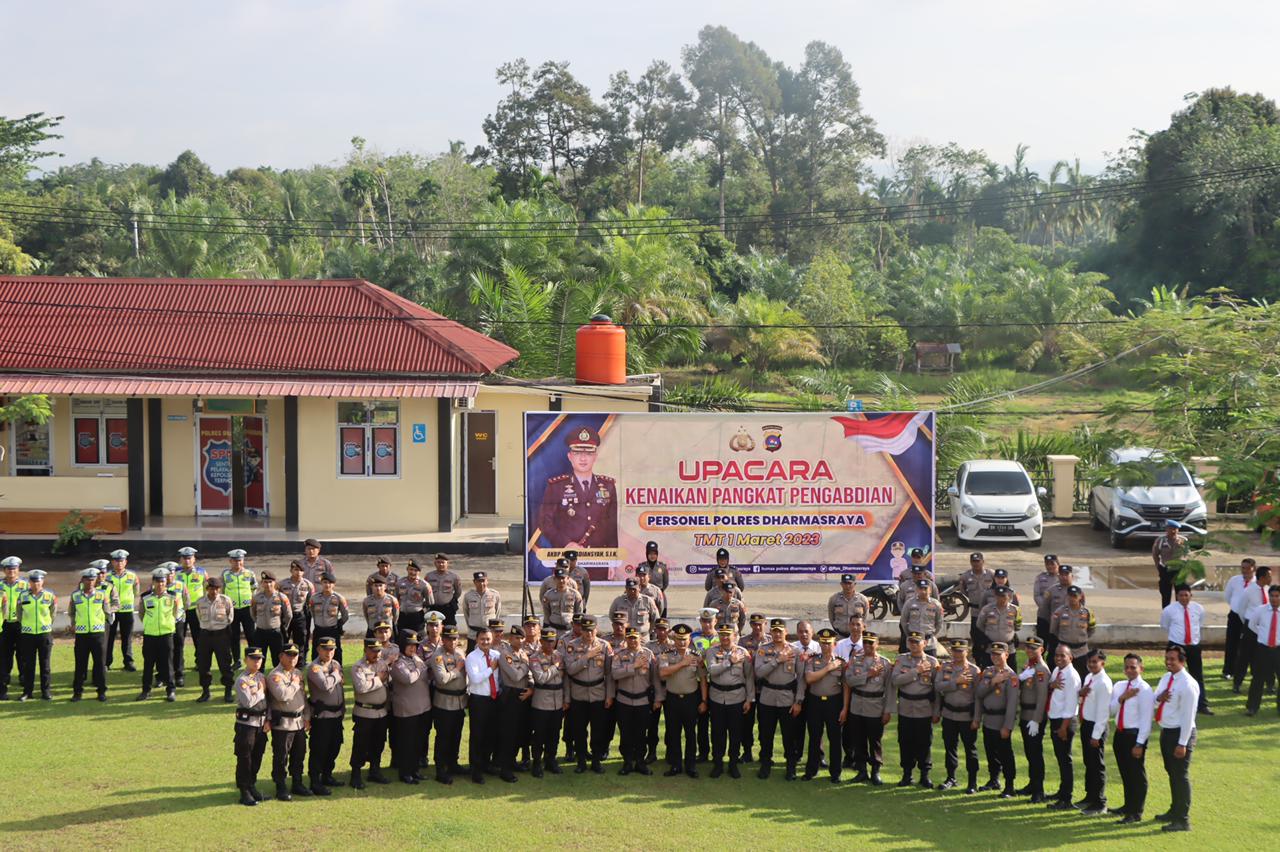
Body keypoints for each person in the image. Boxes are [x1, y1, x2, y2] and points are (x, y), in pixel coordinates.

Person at [537, 426, 618, 549]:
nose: (583, 458)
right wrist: (566, 543)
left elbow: (612, 526)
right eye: (578, 453)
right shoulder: (556, 486)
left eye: (588, 453)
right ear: (570, 456)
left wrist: (613, 560)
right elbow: (545, 522)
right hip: (567, 558)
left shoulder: (608, 486)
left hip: (599, 560)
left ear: (595, 457)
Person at [1154, 644, 1198, 832]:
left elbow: (1189, 717)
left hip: (1181, 734)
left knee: (1180, 776)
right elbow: (1155, 699)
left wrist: (1182, 744)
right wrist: (1160, 697)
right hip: (1167, 731)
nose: (1168, 662)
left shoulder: (1188, 684)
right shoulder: (1166, 678)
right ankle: (1175, 810)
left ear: (1182, 661)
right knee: (1172, 773)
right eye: (1167, 658)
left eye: (1172, 659)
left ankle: (1183, 819)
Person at [704, 623, 754, 779]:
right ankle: (718, 764)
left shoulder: (743, 652)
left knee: (735, 733)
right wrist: (729, 662)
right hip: (717, 697)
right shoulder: (711, 651)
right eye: (722, 634)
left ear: (734, 636)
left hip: (737, 697)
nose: (725, 638)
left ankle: (733, 764)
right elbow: (712, 670)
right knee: (718, 733)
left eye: (728, 634)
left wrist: (749, 699)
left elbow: (749, 677)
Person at [755, 618, 802, 780]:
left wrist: (798, 701)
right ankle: (766, 764)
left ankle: (791, 766)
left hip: (787, 698)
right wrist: (777, 660)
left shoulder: (795, 651)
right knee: (766, 734)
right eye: (774, 631)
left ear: (786, 632)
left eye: (780, 631)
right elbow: (759, 673)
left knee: (789, 735)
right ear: (771, 633)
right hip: (768, 696)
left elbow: (801, 679)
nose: (777, 634)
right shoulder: (763, 650)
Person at [1110, 652, 1154, 824]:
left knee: (1136, 774)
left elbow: (1146, 719)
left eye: (1133, 667)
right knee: (1125, 772)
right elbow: (1111, 710)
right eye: (1126, 667)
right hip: (1120, 734)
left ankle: (1136, 811)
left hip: (1134, 735)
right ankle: (1128, 806)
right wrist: (1122, 698)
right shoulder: (1120, 686)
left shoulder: (1144, 689)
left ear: (1141, 668)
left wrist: (1139, 743)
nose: (1129, 670)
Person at [889, 631, 937, 787]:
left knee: (924, 742)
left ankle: (925, 775)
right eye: (911, 642)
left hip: (924, 708)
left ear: (925, 643)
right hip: (905, 708)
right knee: (905, 741)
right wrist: (916, 671)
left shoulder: (933, 662)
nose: (914, 645)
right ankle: (907, 774)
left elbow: (937, 690)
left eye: (917, 642)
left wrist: (936, 711)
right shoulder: (901, 660)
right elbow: (895, 681)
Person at [608, 626, 657, 776]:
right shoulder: (619, 655)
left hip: (643, 700)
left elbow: (655, 679)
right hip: (624, 700)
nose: (632, 641)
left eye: (635, 638)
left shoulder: (648, 655)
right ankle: (627, 762)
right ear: (626, 639)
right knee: (626, 733)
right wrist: (633, 666)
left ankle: (640, 762)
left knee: (642, 733)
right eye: (629, 638)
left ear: (640, 638)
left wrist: (658, 698)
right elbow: (615, 674)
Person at [933, 638, 980, 794]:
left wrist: (976, 718)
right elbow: (938, 686)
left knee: (970, 749)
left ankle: (972, 782)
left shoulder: (974, 671)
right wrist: (955, 681)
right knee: (950, 748)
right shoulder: (945, 668)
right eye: (954, 650)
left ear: (967, 651)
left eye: (961, 651)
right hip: (949, 714)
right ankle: (951, 777)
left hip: (967, 716)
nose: (957, 654)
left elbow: (978, 697)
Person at [565, 615, 611, 774]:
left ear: (596, 630)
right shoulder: (572, 645)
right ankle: (581, 761)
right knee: (579, 730)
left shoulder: (604, 646)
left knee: (598, 730)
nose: (588, 634)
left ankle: (596, 761)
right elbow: (570, 670)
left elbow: (609, 674)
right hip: (579, 693)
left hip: (598, 693)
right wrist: (587, 656)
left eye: (591, 631)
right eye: (585, 630)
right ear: (581, 630)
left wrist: (609, 695)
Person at [657, 623, 704, 778]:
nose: (682, 642)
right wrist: (682, 663)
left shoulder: (697, 656)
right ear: (674, 639)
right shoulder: (666, 654)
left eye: (684, 639)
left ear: (689, 639)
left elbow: (703, 679)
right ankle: (675, 765)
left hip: (691, 699)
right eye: (678, 639)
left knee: (691, 733)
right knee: (673, 733)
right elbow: (663, 673)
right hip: (672, 699)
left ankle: (691, 766)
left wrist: (704, 700)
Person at [843, 630, 890, 786]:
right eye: (866, 642)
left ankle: (875, 771)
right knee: (858, 740)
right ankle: (862, 770)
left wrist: (887, 710)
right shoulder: (855, 660)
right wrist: (868, 675)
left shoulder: (884, 663)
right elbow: (849, 681)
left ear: (877, 644)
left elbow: (889, 690)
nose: (868, 645)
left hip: (875, 706)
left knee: (875, 741)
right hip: (857, 705)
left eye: (871, 642)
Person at [265, 643, 310, 800]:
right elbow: (283, 696)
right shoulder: (275, 675)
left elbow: (303, 698)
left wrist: (307, 717)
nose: (293, 658)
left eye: (295, 655)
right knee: (281, 756)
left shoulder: (297, 673)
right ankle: (281, 786)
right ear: (281, 656)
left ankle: (297, 783)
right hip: (283, 723)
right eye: (289, 654)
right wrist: (295, 683)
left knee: (299, 755)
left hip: (298, 722)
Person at [975, 641, 1019, 798]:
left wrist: (1007, 726)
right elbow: (979, 694)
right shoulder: (988, 672)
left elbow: (1012, 705)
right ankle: (994, 780)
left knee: (1005, 754)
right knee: (990, 752)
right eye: (992, 654)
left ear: (1006, 655)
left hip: (1001, 720)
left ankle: (1010, 786)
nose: (994, 657)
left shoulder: (1011, 676)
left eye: (998, 654)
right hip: (988, 719)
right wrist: (993, 682)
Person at [1160, 584, 1211, 714]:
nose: (1183, 598)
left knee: (1197, 675)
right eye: (1181, 595)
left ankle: (1202, 705)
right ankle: (1171, 702)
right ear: (1177, 596)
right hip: (1176, 646)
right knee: (1173, 675)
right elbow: (1165, 625)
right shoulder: (1169, 610)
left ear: (1190, 595)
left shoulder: (1199, 609)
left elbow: (1199, 624)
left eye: (1186, 595)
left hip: (1193, 646)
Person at [349, 637, 392, 789]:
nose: (376, 654)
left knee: (379, 743)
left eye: (378, 651)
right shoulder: (358, 667)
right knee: (361, 744)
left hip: (381, 712)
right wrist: (378, 679)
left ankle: (375, 770)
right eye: (373, 651)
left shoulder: (382, 664)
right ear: (365, 650)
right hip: (365, 712)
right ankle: (355, 774)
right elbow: (362, 687)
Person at [390, 631, 432, 784]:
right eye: (409, 645)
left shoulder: (416, 659)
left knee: (418, 743)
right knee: (407, 743)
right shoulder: (398, 663)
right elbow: (408, 678)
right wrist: (420, 668)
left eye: (415, 645)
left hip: (423, 708)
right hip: (406, 710)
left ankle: (415, 770)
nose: (413, 648)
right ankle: (405, 773)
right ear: (402, 645)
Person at [802, 628, 843, 784]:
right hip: (815, 702)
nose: (825, 646)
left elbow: (846, 686)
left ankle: (835, 773)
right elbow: (809, 679)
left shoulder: (841, 662)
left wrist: (845, 708)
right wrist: (828, 668)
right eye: (823, 643)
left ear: (835, 644)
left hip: (834, 703)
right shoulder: (812, 660)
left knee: (835, 739)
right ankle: (811, 770)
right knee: (814, 737)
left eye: (828, 643)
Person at [1044, 645, 1082, 810]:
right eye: (1057, 655)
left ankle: (1066, 798)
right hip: (1056, 719)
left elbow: (1071, 704)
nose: (1059, 658)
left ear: (1070, 658)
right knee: (1060, 758)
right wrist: (1051, 685)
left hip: (1064, 721)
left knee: (1065, 759)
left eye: (1063, 656)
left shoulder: (1071, 676)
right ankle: (1062, 791)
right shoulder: (1058, 671)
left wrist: (1063, 728)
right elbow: (1052, 686)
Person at [68, 565, 114, 702]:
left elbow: (107, 612)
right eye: (87, 579)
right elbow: (72, 612)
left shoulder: (102, 595)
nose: (90, 582)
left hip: (97, 634)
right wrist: (73, 624)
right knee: (80, 664)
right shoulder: (75, 595)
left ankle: (101, 691)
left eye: (92, 579)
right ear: (82, 580)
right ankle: (77, 692)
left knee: (100, 664)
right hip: (82, 635)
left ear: (95, 581)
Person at [1012, 636, 1050, 803]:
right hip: (1025, 715)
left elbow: (1042, 697)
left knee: (1035, 754)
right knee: (1029, 752)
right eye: (1027, 648)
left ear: (1041, 650)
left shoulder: (1041, 669)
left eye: (1033, 648)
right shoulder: (1029, 667)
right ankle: (1032, 784)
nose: (1029, 651)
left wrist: (1036, 719)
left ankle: (1038, 790)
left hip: (1034, 717)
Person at [306, 636, 345, 795]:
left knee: (334, 746)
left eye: (332, 649)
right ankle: (315, 781)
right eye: (326, 649)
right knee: (319, 749)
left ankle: (327, 775)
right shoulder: (314, 667)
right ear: (318, 649)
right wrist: (336, 675)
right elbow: (325, 685)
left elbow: (340, 688)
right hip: (322, 716)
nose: (329, 652)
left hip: (336, 714)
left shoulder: (335, 664)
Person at [430, 625, 468, 784]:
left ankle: (453, 763)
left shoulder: (460, 653)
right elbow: (442, 679)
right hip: (444, 702)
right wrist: (458, 670)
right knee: (443, 737)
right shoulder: (438, 656)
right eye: (449, 639)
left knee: (456, 735)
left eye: (455, 639)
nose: (453, 642)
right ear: (443, 639)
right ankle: (440, 769)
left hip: (460, 702)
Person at [1077, 650, 1113, 815]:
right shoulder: (1090, 678)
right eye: (1089, 662)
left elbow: (1103, 712)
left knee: (1097, 765)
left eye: (1094, 662)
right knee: (1088, 762)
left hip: (1096, 727)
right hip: (1087, 723)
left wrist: (1096, 735)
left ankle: (1099, 802)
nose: (1091, 665)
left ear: (1102, 663)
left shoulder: (1104, 683)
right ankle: (1090, 796)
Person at [232, 647, 270, 806]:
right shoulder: (242, 680)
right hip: (246, 725)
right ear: (246, 659)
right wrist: (260, 690)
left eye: (259, 658)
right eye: (253, 658)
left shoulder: (261, 676)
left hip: (261, 724)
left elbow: (268, 702)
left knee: (257, 755)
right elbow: (248, 702)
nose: (257, 661)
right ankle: (244, 790)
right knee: (245, 758)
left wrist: (269, 719)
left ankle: (252, 785)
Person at [137, 566, 181, 702]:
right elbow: (141, 614)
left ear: (166, 582)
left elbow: (176, 613)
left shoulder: (172, 597)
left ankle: (170, 690)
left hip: (166, 635)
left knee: (167, 664)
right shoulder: (145, 598)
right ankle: (146, 690)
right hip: (150, 635)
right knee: (148, 664)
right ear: (153, 582)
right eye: (158, 581)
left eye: (162, 581)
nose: (160, 584)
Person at [496, 626, 534, 782]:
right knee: (509, 734)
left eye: (521, 638)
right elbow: (516, 675)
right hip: (510, 695)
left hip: (523, 696)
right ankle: (505, 769)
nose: (519, 640)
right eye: (516, 638)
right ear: (510, 639)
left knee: (519, 733)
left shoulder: (523, 654)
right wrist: (526, 664)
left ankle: (512, 762)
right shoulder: (505, 654)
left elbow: (529, 676)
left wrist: (531, 687)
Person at [528, 626, 566, 777]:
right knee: (539, 734)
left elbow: (566, 680)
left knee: (554, 734)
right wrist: (555, 667)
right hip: (541, 701)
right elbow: (541, 679)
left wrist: (566, 699)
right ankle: (536, 762)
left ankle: (551, 760)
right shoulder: (535, 657)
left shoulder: (560, 655)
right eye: (546, 642)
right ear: (541, 641)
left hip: (557, 700)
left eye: (552, 641)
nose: (550, 645)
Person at [465, 626, 502, 783]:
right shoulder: (472, 657)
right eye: (482, 639)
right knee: (477, 736)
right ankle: (476, 769)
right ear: (477, 640)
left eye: (488, 639)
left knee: (491, 734)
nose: (485, 642)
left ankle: (486, 764)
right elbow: (475, 679)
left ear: (492, 639)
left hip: (494, 699)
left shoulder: (496, 655)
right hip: (478, 700)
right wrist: (490, 668)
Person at [15, 569, 57, 701]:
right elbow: (19, 614)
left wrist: (46, 624)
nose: (35, 584)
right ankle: (27, 692)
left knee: (45, 665)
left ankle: (46, 691)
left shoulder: (49, 595)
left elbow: (53, 613)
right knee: (28, 664)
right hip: (28, 634)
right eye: (33, 581)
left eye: (38, 581)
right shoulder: (23, 596)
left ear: (42, 581)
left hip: (44, 634)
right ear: (29, 582)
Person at [1232, 564, 1273, 694]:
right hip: (1250, 626)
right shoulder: (1249, 590)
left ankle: (1269, 684)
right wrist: (1248, 623)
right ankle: (1237, 683)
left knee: (1266, 656)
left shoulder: (1268, 590)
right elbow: (1241, 609)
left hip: (1265, 626)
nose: (1271, 579)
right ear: (1262, 577)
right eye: (1269, 576)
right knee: (1244, 656)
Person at [195, 576, 236, 703]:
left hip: (221, 635)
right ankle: (206, 692)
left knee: (225, 664)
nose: (214, 591)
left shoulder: (225, 600)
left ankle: (228, 691)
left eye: (217, 588)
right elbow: (199, 617)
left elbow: (230, 617)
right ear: (207, 589)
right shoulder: (200, 601)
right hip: (205, 635)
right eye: (212, 588)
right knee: (203, 664)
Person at [1244, 583, 1280, 717]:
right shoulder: (1260, 610)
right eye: (1272, 596)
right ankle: (1252, 707)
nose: (1274, 599)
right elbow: (1252, 625)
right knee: (1258, 678)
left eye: (1277, 596)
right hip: (1263, 648)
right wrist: (1263, 635)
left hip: (1278, 649)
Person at [172, 547, 206, 688]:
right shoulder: (175, 573)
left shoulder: (202, 573)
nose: (187, 560)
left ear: (194, 559)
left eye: (189, 558)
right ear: (180, 560)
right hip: (180, 611)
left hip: (195, 611)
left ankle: (200, 664)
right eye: (184, 558)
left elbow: (207, 589)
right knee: (178, 641)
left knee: (199, 639)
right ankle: (179, 667)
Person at [104, 549, 139, 672]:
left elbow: (136, 591)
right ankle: (106, 662)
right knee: (109, 637)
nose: (119, 563)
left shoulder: (132, 576)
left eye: (122, 561)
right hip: (111, 611)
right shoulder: (107, 576)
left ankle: (128, 662)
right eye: (116, 561)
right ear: (112, 562)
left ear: (126, 562)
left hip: (127, 611)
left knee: (127, 637)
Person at [1050, 585, 1095, 679]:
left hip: (1081, 651)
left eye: (1075, 596)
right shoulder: (1059, 612)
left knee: (1083, 677)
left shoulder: (1088, 613)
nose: (1072, 598)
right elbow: (1054, 629)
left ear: (1080, 597)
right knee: (1062, 677)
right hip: (1064, 650)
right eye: (1070, 596)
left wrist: (1081, 638)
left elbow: (1091, 629)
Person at [1222, 558, 1256, 680]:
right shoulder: (1234, 580)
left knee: (1251, 645)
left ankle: (1254, 671)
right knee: (1232, 643)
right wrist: (1236, 607)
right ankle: (1228, 670)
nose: (1245, 570)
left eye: (1247, 568)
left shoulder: (1258, 583)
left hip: (1251, 618)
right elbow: (1227, 596)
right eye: (1242, 568)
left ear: (1253, 568)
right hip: (1235, 616)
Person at [222, 549, 257, 667]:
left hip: (247, 609)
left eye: (240, 560)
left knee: (251, 635)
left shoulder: (249, 573)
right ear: (230, 561)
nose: (238, 563)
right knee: (234, 636)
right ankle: (237, 660)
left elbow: (254, 588)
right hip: (232, 609)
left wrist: (252, 601)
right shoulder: (225, 574)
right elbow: (221, 591)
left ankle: (253, 658)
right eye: (235, 561)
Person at [0, 556, 28, 700]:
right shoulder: (0, 586)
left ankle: (24, 680)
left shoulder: (26, 585)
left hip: (21, 624)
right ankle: (3, 686)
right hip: (4, 625)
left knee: (23, 654)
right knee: (4, 656)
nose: (11, 571)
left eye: (14, 569)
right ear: (4, 570)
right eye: (9, 569)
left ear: (18, 570)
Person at [975, 586, 1021, 670]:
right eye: (998, 596)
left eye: (1003, 596)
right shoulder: (987, 609)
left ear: (1008, 597)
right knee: (987, 673)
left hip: (1008, 648)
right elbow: (979, 625)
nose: (1001, 599)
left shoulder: (1015, 610)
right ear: (995, 596)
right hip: (991, 648)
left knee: (1011, 674)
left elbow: (1018, 626)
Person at [251, 572, 292, 668]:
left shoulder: (282, 597)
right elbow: (252, 614)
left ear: (275, 583)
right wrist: (259, 623)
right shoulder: (256, 597)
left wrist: (283, 627)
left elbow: (288, 615)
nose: (268, 584)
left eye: (270, 582)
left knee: (278, 660)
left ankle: (278, 680)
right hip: (260, 633)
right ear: (262, 583)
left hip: (276, 633)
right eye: (265, 582)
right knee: (258, 660)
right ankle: (258, 680)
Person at [279, 561, 315, 663]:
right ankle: (283, 661)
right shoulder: (282, 584)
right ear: (291, 570)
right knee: (283, 639)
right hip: (285, 616)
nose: (298, 572)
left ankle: (300, 662)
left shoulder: (308, 585)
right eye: (296, 570)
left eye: (301, 570)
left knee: (301, 640)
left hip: (300, 615)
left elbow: (310, 601)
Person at [309, 573, 349, 663]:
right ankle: (315, 672)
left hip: (332, 630)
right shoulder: (314, 598)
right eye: (325, 582)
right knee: (316, 652)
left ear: (334, 584)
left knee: (336, 653)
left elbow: (345, 615)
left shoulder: (339, 598)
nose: (327, 585)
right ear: (321, 583)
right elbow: (312, 612)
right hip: (319, 629)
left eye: (330, 583)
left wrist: (339, 624)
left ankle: (338, 672)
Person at [900, 579, 944, 655]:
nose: (923, 591)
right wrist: (909, 635)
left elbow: (939, 623)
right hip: (913, 642)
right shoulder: (909, 603)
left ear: (930, 590)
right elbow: (903, 621)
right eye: (920, 589)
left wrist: (931, 635)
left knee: (930, 665)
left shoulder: (936, 604)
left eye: (925, 589)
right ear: (916, 590)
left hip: (929, 643)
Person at [1152, 520, 1187, 609]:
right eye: (1170, 529)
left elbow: (1188, 554)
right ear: (1166, 529)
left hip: (1179, 571)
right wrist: (1158, 567)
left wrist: (1181, 547)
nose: (1173, 531)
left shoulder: (1183, 540)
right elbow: (1155, 554)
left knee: (1181, 594)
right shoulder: (1160, 540)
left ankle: (1180, 614)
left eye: (1175, 529)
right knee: (1165, 594)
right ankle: (1166, 614)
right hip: (1165, 569)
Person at [462, 572, 500, 653]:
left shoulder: (495, 594)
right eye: (478, 581)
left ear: (487, 581)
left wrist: (493, 629)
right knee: (471, 655)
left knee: (491, 656)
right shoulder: (468, 596)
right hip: (473, 633)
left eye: (483, 580)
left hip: (489, 632)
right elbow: (466, 613)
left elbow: (497, 612)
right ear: (474, 582)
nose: (481, 583)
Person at [397, 559, 435, 637]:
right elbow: (396, 598)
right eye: (411, 569)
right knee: (402, 637)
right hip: (402, 615)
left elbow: (430, 602)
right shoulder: (400, 582)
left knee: (418, 638)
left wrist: (420, 606)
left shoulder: (424, 585)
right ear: (407, 569)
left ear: (419, 572)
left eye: (415, 570)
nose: (413, 572)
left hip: (417, 616)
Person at [542, 566, 583, 636]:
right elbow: (547, 613)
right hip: (553, 630)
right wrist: (546, 627)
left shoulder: (575, 595)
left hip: (569, 631)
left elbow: (578, 612)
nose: (561, 581)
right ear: (554, 579)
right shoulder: (548, 595)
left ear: (568, 579)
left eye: (563, 578)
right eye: (558, 578)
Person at [1032, 555, 1060, 657]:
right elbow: (1037, 595)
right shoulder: (1040, 577)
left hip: (1058, 617)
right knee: (1040, 644)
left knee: (1055, 646)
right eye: (1047, 564)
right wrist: (1045, 608)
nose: (1049, 566)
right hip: (1044, 616)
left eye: (1052, 564)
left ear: (1058, 564)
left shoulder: (1063, 577)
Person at [426, 554, 462, 627]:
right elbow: (425, 591)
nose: (441, 564)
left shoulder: (454, 577)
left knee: (450, 629)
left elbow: (458, 592)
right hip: (434, 608)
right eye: (438, 562)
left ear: (447, 563)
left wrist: (450, 600)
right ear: (435, 563)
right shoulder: (429, 576)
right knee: (433, 628)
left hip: (448, 608)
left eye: (443, 562)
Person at [362, 576, 399, 641]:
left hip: (387, 632)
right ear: (372, 587)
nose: (378, 588)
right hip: (372, 630)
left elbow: (396, 616)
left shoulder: (392, 600)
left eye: (380, 585)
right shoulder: (366, 601)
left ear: (385, 587)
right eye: (375, 586)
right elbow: (366, 615)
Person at [640, 541, 670, 611]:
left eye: (654, 554)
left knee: (661, 621)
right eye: (650, 554)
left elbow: (665, 583)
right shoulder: (642, 567)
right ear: (647, 554)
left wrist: (657, 592)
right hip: (645, 597)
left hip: (660, 598)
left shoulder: (662, 567)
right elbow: (639, 582)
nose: (652, 556)